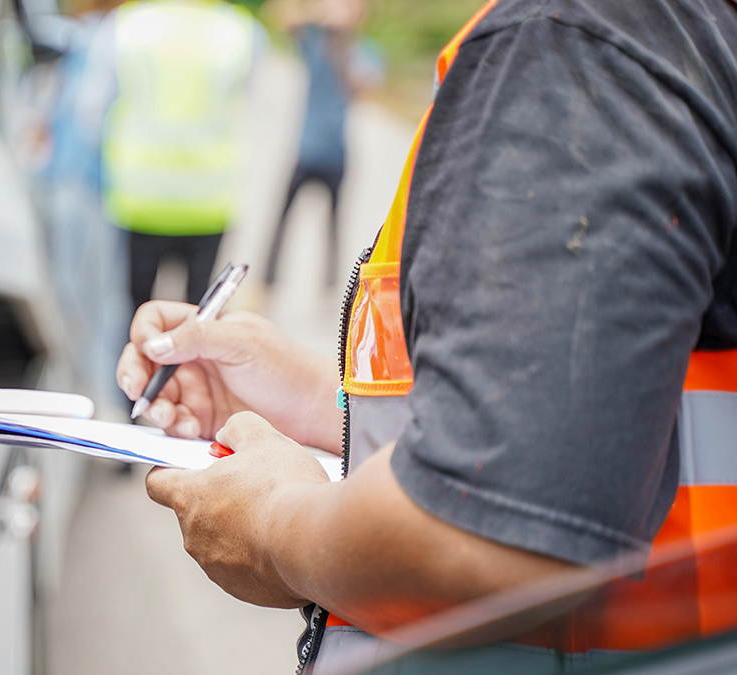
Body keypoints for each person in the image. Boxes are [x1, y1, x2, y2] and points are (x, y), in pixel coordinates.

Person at [115, 0, 737, 671]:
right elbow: (587, 415)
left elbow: (488, 531)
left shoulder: (573, 41)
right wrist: (315, 397)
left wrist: (269, 525)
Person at [78, 0, 265, 309]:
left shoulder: (126, 26)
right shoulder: (243, 32)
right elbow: (251, 107)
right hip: (209, 200)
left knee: (134, 316)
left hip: (139, 198)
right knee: (200, 315)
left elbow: (90, 113)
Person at [264, 0, 362, 290]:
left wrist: (342, 45)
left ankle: (331, 286)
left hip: (338, 154)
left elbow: (362, 86)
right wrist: (319, 14)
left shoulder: (361, 52)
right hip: (306, 150)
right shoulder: (314, 42)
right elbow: (280, 15)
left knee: (333, 227)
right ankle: (267, 283)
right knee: (280, 223)